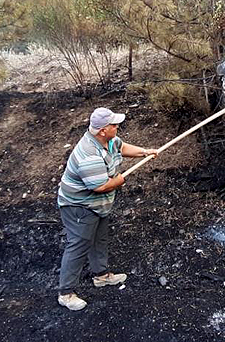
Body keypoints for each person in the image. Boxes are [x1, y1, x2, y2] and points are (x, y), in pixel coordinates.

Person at [56, 107, 158, 311]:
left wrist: (145, 152)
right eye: (114, 124)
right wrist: (120, 180)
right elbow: (99, 186)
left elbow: (123, 147)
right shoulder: (89, 155)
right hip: (79, 206)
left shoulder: (109, 140)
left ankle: (101, 276)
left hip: (97, 205)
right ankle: (66, 293)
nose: (117, 126)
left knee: (99, 238)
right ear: (103, 130)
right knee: (78, 244)